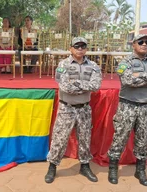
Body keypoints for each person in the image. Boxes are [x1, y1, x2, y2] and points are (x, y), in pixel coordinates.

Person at [107, 34, 147, 186]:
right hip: (127, 105)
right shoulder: (125, 61)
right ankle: (113, 168)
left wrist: (141, 75)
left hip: (145, 106)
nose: (144, 44)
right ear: (133, 44)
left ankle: (140, 170)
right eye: (140, 42)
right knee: (120, 137)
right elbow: (128, 81)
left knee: (143, 139)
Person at [45, 37, 102, 184]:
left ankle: (84, 166)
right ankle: (52, 166)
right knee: (59, 139)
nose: (80, 49)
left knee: (84, 139)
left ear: (86, 49)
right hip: (66, 108)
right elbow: (65, 87)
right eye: (77, 46)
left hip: (84, 108)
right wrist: (84, 85)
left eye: (83, 46)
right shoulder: (63, 64)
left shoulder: (93, 66)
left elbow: (96, 85)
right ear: (71, 48)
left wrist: (75, 83)